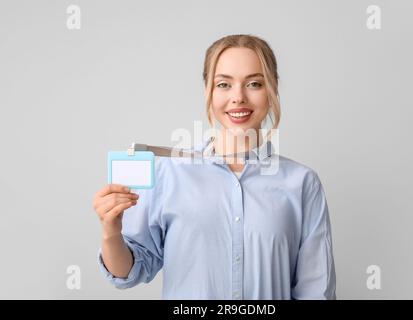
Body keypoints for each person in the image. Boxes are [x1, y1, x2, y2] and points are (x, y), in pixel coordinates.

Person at [92, 34, 336, 299]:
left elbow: (316, 291)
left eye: (254, 83)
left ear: (272, 89)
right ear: (208, 89)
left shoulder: (302, 183)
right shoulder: (169, 173)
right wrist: (111, 232)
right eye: (224, 84)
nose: (238, 97)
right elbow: (130, 272)